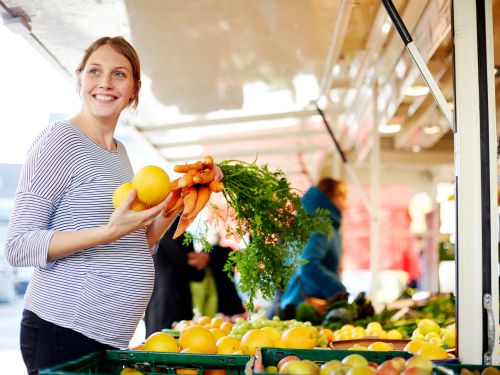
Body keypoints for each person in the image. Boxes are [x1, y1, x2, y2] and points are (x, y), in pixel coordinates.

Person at [4, 36, 182, 375]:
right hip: (64, 330)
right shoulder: (60, 140)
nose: (105, 83)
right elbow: (18, 246)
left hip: (108, 337)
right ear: (80, 79)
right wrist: (107, 232)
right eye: (95, 71)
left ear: (134, 89)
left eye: (119, 74)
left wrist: (176, 204)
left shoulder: (119, 152)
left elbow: (133, 241)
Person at [279, 177, 348, 310]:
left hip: (294, 303)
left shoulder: (306, 223)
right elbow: (307, 264)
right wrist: (338, 290)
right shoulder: (321, 225)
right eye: (343, 198)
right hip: (307, 309)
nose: (346, 205)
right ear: (332, 197)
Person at [144, 216, 205, 337]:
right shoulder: (171, 231)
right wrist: (204, 258)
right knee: (167, 345)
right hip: (169, 304)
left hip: (162, 300)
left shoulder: (156, 230)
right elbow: (195, 272)